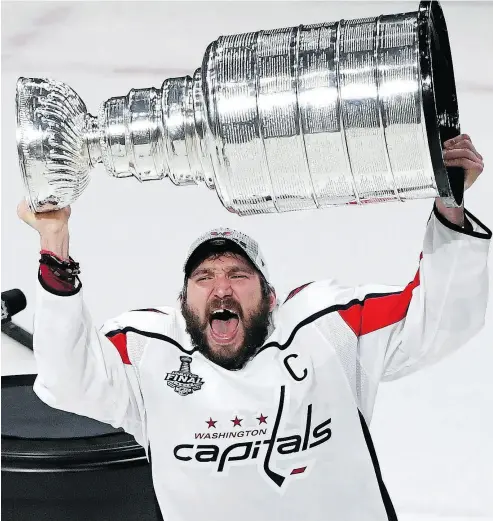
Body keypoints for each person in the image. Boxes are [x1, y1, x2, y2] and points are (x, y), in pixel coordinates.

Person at [18, 134, 490, 521]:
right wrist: (54, 244)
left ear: (269, 297)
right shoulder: (149, 352)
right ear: (183, 303)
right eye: (204, 278)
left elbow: (440, 316)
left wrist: (451, 206)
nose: (220, 288)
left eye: (238, 275)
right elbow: (67, 378)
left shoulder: (329, 328)